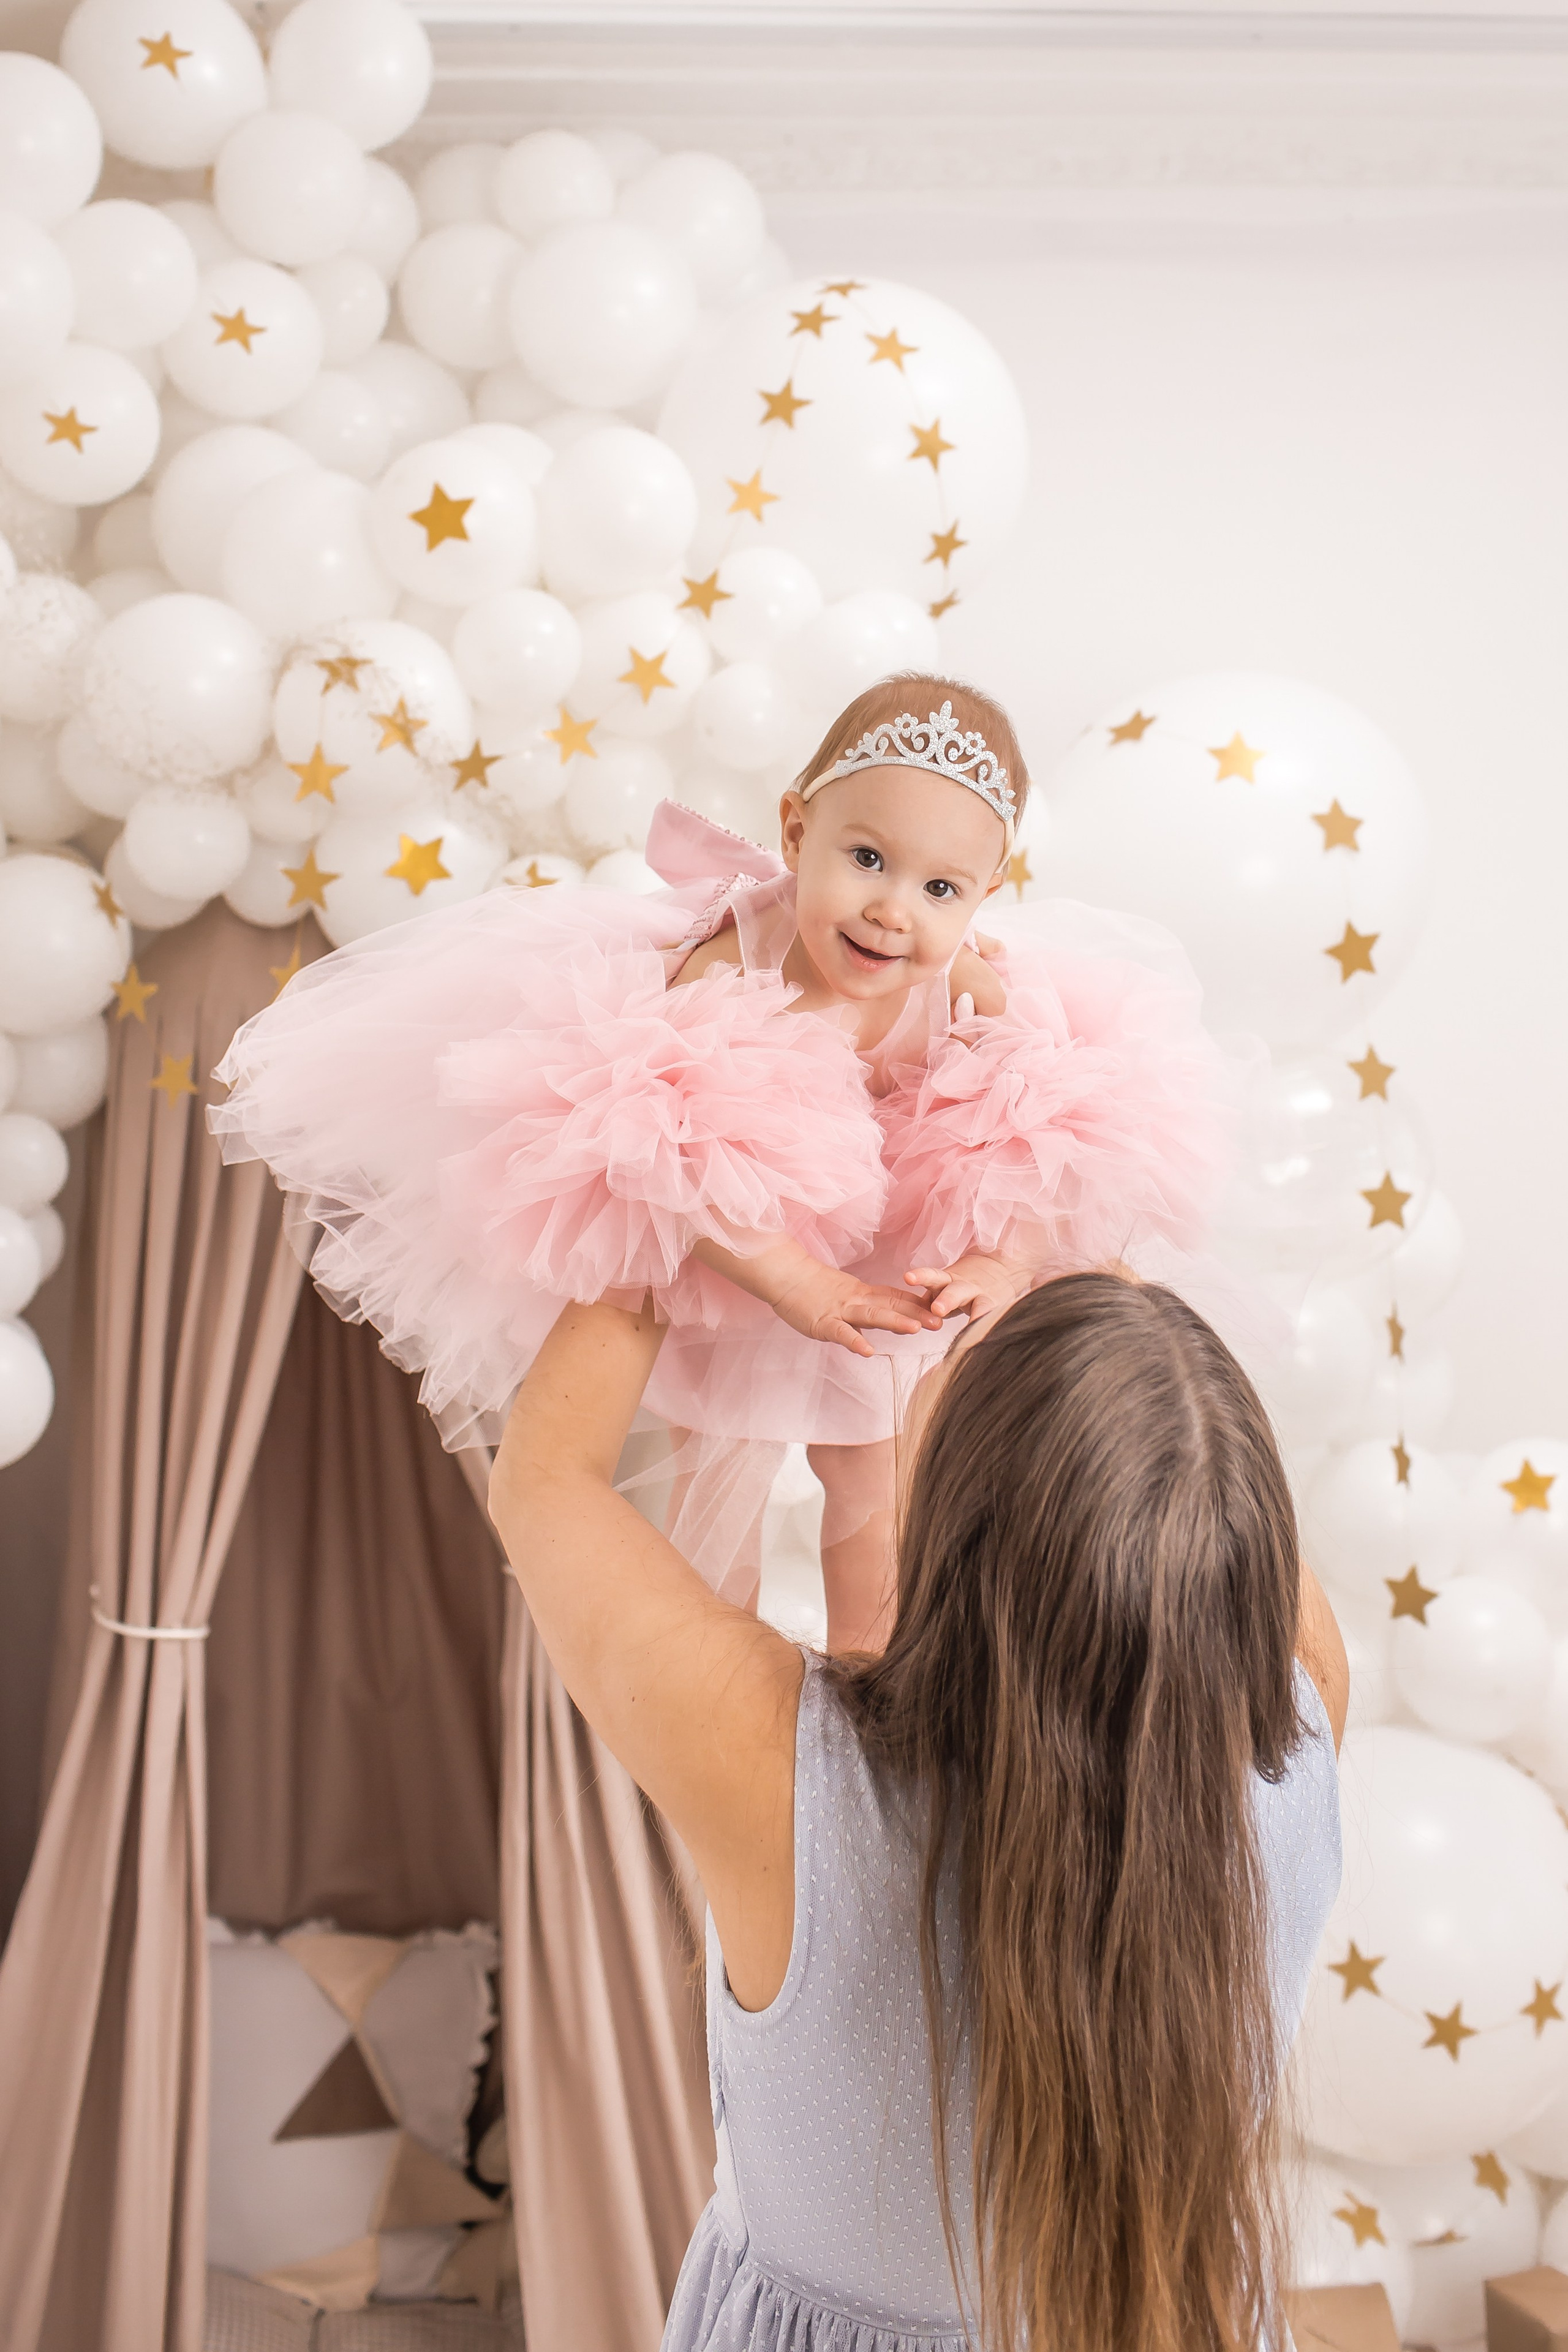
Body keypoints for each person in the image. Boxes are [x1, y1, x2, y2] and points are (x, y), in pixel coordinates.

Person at [214, 674, 1237, 1650]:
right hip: (743, 1252)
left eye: (939, 888)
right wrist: (792, 1278)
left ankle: (875, 1681)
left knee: (879, 1484)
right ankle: (720, 1677)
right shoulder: (729, 961)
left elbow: (1043, 1124)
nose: (893, 910)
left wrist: (1003, 1259)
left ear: (985, 895)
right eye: (868, 860)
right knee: (713, 1490)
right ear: (797, 831)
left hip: (885, 1260)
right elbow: (664, 1149)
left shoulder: (969, 985)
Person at [487, 1273, 1348, 2352]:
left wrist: (688, 1193)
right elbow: (1183, 1515)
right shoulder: (1308, 1717)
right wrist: (1067, 1242)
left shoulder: (778, 1766)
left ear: (969, 1528)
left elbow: (546, 1485)